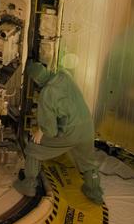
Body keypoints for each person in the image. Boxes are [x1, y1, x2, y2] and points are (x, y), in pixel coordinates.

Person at [13, 60, 104, 204]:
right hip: (87, 126)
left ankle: (29, 186)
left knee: (33, 148)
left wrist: (40, 131)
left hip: (70, 131)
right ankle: (94, 192)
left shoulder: (47, 93)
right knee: (87, 161)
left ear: (35, 80)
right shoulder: (64, 75)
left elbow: (51, 130)